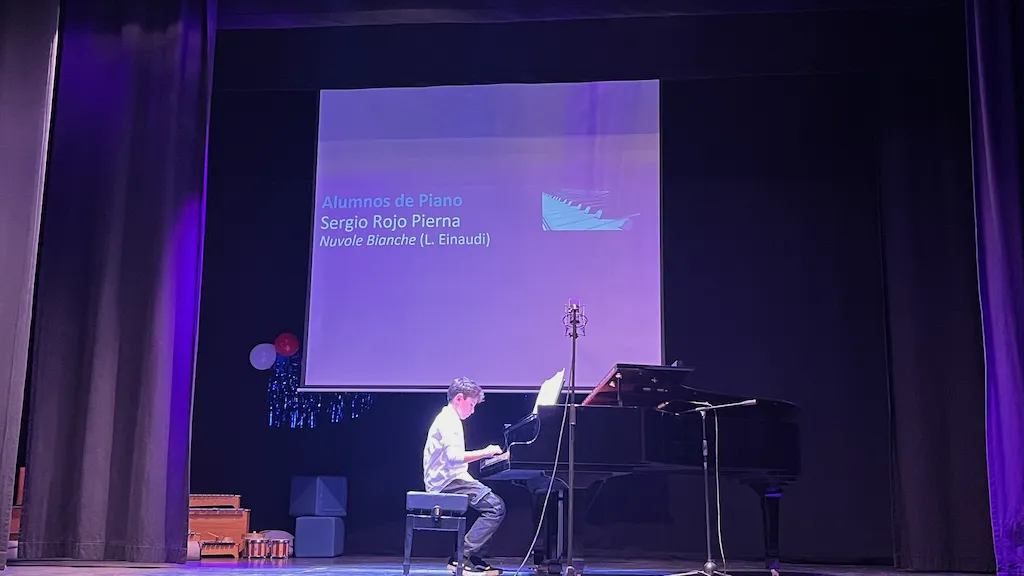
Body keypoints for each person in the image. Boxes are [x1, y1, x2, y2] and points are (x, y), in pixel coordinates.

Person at [423, 377, 506, 575]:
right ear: (459, 398)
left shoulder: (449, 418)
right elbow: (454, 458)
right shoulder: (448, 421)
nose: (473, 410)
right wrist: (486, 452)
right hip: (446, 481)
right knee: (496, 507)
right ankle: (461, 557)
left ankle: (473, 557)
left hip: (452, 478)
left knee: (490, 503)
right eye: (471, 404)